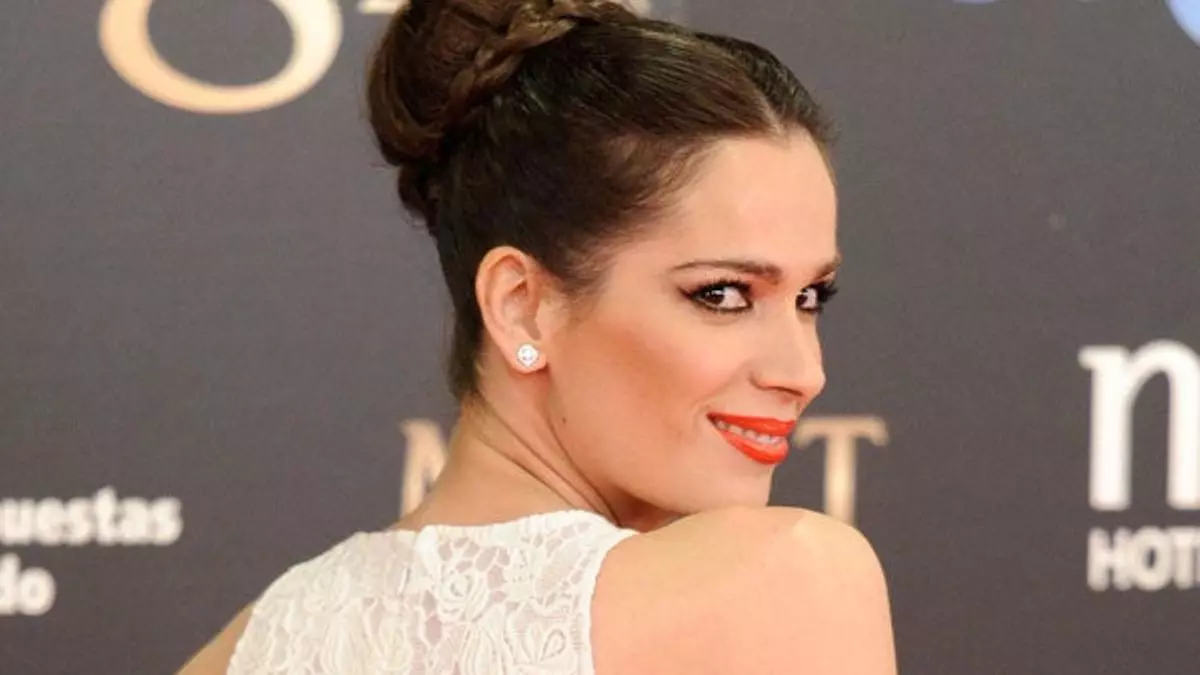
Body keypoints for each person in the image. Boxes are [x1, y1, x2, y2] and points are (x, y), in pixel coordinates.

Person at [179, 0, 896, 672]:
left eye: (810, 298)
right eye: (722, 295)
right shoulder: (787, 583)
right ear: (521, 306)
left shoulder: (243, 650)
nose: (804, 372)